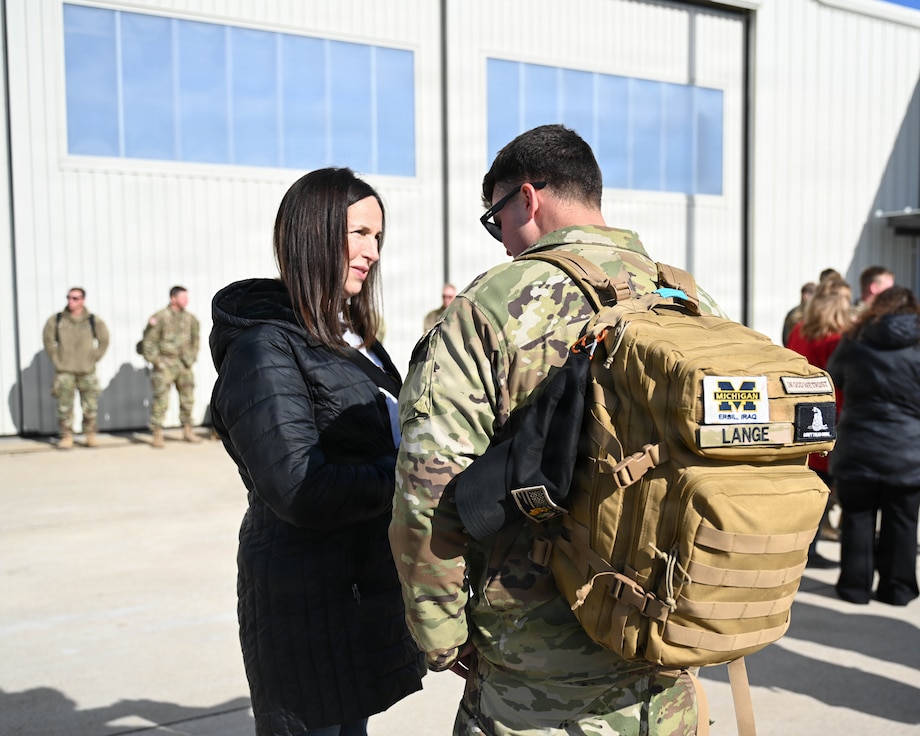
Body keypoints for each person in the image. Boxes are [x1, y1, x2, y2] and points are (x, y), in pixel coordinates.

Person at [389, 124, 724, 736]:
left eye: (496, 221)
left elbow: (428, 483)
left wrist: (440, 636)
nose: (501, 242)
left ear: (527, 198)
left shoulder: (492, 305)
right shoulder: (687, 296)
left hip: (537, 675)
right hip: (668, 657)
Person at [209, 167, 424, 736]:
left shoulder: (352, 337)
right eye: (358, 233)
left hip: (353, 590)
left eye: (377, 236)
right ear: (312, 232)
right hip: (304, 601)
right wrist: (419, 477)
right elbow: (302, 489)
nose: (371, 251)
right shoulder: (264, 345)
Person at [827, 286, 920, 606]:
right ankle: (898, 589)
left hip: (858, 445)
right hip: (908, 451)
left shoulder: (854, 340)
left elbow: (834, 376)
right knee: (903, 523)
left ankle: (855, 587)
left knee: (857, 518)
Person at [786, 276, 853, 568]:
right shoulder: (840, 338)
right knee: (826, 487)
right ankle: (811, 550)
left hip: (801, 410)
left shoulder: (799, 330)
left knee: (806, 485)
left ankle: (802, 547)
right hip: (832, 414)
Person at [42, 287, 110, 449]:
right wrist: (57, 360)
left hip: (87, 371)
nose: (71, 301)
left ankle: (90, 435)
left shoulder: (92, 321)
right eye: (69, 298)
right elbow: (48, 341)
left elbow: (104, 340)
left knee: (90, 406)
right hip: (65, 371)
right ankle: (67, 436)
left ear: (83, 300)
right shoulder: (57, 320)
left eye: (75, 298)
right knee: (64, 406)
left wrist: (94, 358)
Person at [141, 286, 200, 447]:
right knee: (161, 399)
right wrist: (157, 361)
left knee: (187, 399)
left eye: (187, 297)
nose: (186, 300)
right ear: (173, 298)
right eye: (183, 297)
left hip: (184, 365)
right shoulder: (160, 317)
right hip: (165, 365)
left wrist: (191, 358)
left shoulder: (190, 319)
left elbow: (196, 340)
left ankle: (188, 430)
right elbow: (148, 342)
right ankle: (157, 434)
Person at [782, 280, 816, 346]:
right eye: (804, 293)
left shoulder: (818, 314)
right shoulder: (793, 313)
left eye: (810, 293)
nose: (805, 296)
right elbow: (785, 338)